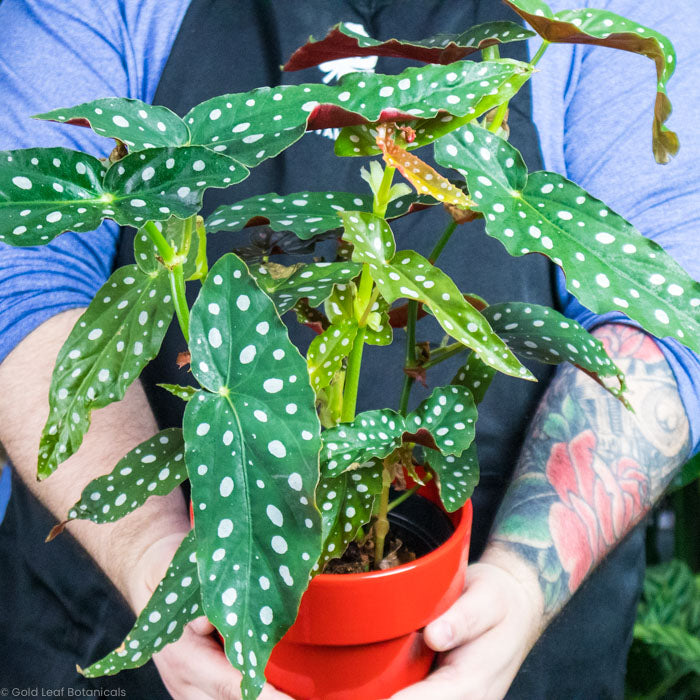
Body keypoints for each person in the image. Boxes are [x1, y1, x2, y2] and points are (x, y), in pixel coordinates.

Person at [0, 1, 698, 698]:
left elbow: (664, 316)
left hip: (487, 641)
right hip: (130, 620)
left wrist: (521, 582)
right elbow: (22, 283)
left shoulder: (594, 16)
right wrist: (152, 557)